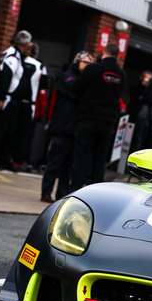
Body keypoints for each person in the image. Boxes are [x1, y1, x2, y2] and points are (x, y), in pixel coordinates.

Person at [69, 42, 125, 192]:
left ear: (103, 53)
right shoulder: (121, 74)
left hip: (88, 118)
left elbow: (76, 88)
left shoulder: (93, 69)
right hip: (107, 122)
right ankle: (95, 193)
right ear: (117, 56)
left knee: (81, 156)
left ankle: (75, 191)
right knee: (99, 159)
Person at [40, 51, 93, 203]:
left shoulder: (83, 81)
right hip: (62, 127)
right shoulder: (67, 76)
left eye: (90, 64)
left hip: (75, 129)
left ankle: (61, 195)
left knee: (68, 167)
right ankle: (46, 192)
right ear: (77, 62)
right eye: (85, 62)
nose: (87, 66)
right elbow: (74, 93)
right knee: (55, 162)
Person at [0, 30, 34, 170]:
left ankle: (2, 158)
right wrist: (0, 98)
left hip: (11, 99)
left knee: (8, 131)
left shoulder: (17, 55)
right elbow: (6, 77)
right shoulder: (12, 56)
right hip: (7, 98)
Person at [13, 41, 47, 171]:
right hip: (29, 106)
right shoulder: (40, 66)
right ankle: (21, 160)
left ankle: (9, 158)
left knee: (12, 131)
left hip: (15, 101)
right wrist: (40, 112)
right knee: (25, 135)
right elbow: (42, 91)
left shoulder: (18, 61)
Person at [126, 70, 152, 152]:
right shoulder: (136, 87)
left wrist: (143, 98)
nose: (147, 81)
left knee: (142, 141)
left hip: (146, 119)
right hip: (135, 117)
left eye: (149, 79)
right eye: (146, 78)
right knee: (133, 140)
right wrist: (143, 87)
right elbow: (136, 97)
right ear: (141, 78)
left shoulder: (150, 90)